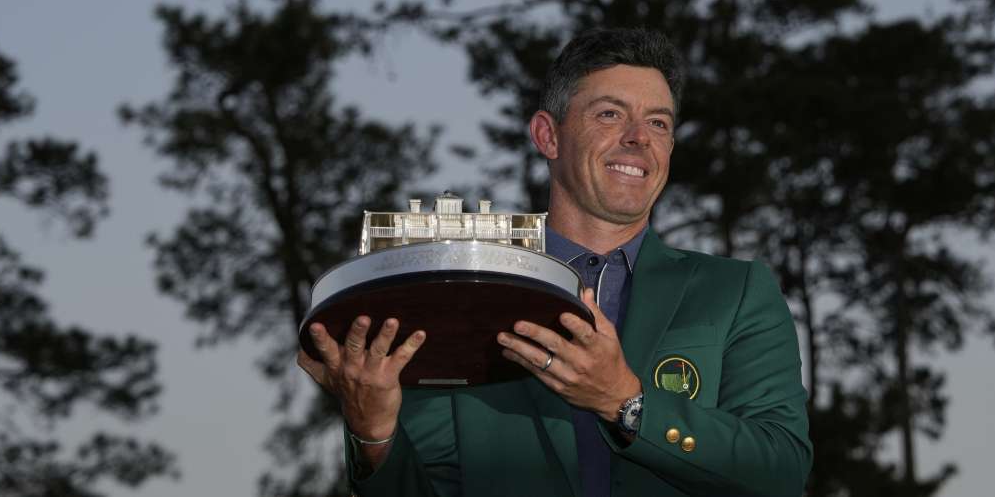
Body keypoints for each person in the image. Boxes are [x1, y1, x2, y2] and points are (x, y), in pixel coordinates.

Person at [298, 28, 811, 496]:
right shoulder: (462, 292)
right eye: (610, 114)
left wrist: (627, 403)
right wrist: (373, 433)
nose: (639, 137)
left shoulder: (734, 291)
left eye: (658, 122)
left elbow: (782, 472)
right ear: (548, 135)